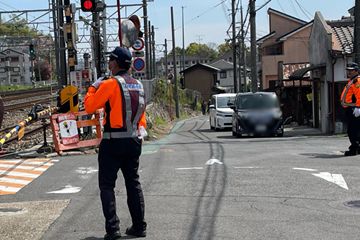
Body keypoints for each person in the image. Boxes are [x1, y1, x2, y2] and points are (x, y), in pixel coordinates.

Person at [84, 46, 147, 239]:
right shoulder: (138, 84)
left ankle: (113, 229)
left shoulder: (110, 84)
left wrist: (93, 87)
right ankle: (139, 226)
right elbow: (141, 116)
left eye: (110, 61)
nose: (108, 64)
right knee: (133, 183)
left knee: (107, 185)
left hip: (113, 142)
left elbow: (89, 106)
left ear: (114, 63)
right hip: (134, 140)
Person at [340, 62, 360, 156]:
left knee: (352, 130)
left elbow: (359, 95)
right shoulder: (351, 80)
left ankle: (354, 148)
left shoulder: (357, 81)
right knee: (355, 129)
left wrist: (358, 107)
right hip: (351, 108)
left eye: (351, 70)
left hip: (353, 108)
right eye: (348, 70)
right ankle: (357, 147)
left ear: (357, 70)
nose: (349, 72)